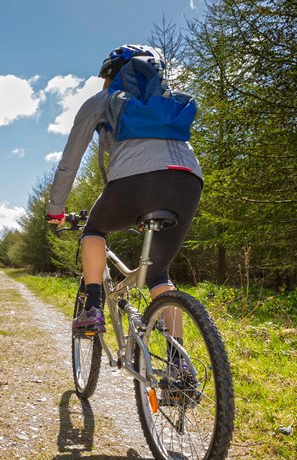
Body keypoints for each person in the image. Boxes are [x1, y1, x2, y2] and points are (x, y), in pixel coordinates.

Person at [46, 44, 203, 336]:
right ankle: (179, 366)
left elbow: (70, 162)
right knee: (159, 274)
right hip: (189, 182)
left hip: (134, 181)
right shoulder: (168, 102)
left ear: (112, 73)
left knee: (94, 231)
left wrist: (56, 209)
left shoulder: (103, 100)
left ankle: (92, 308)